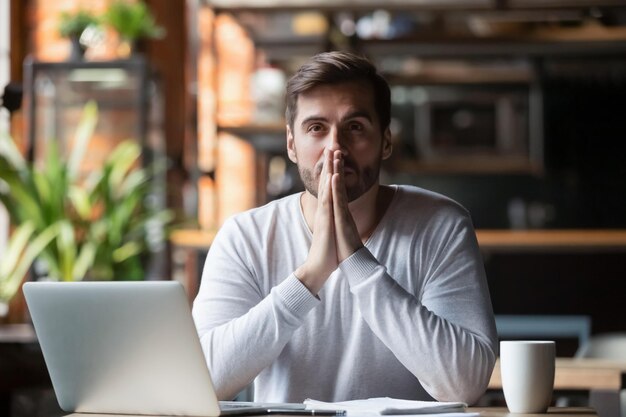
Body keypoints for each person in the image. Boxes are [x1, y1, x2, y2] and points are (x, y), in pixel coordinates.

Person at [192, 51, 497, 405]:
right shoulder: (246, 238)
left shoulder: (441, 225)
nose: (335, 147)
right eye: (316, 128)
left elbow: (466, 385)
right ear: (292, 144)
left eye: (354, 127)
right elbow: (202, 380)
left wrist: (357, 260)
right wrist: (309, 277)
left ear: (385, 141)